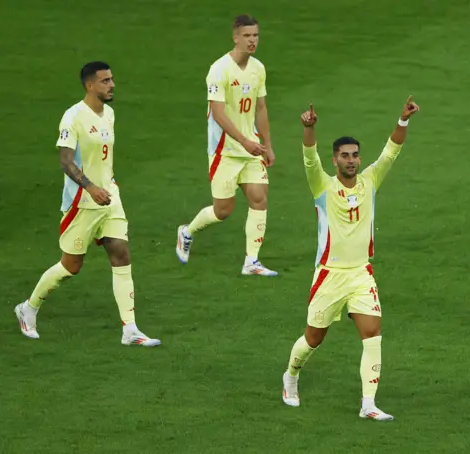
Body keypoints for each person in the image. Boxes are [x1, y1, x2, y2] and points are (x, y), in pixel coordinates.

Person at [281, 97, 420, 420]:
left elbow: (391, 152)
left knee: (372, 333)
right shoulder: (323, 186)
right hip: (329, 275)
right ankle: (291, 376)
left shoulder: (370, 181)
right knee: (313, 338)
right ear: (335, 160)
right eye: (345, 156)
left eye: (356, 155)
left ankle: (368, 404)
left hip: (360, 273)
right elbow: (309, 160)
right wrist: (309, 129)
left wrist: (402, 120)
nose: (352, 161)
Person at [14, 61, 161, 347]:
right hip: (82, 202)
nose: (112, 85)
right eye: (105, 81)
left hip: (109, 197)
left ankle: (129, 328)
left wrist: (105, 187)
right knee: (70, 266)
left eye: (112, 79)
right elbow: (65, 161)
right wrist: (90, 187)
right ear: (89, 85)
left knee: (121, 254)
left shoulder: (110, 115)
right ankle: (28, 308)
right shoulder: (73, 117)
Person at [176, 14, 277, 277]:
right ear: (235, 37)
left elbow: (261, 108)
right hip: (225, 151)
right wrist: (244, 142)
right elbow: (219, 114)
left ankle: (251, 262)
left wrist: (267, 144)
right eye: (247, 36)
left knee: (259, 198)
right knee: (223, 211)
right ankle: (187, 232)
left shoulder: (258, 68)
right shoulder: (219, 69)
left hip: (252, 148)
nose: (252, 40)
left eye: (255, 35)